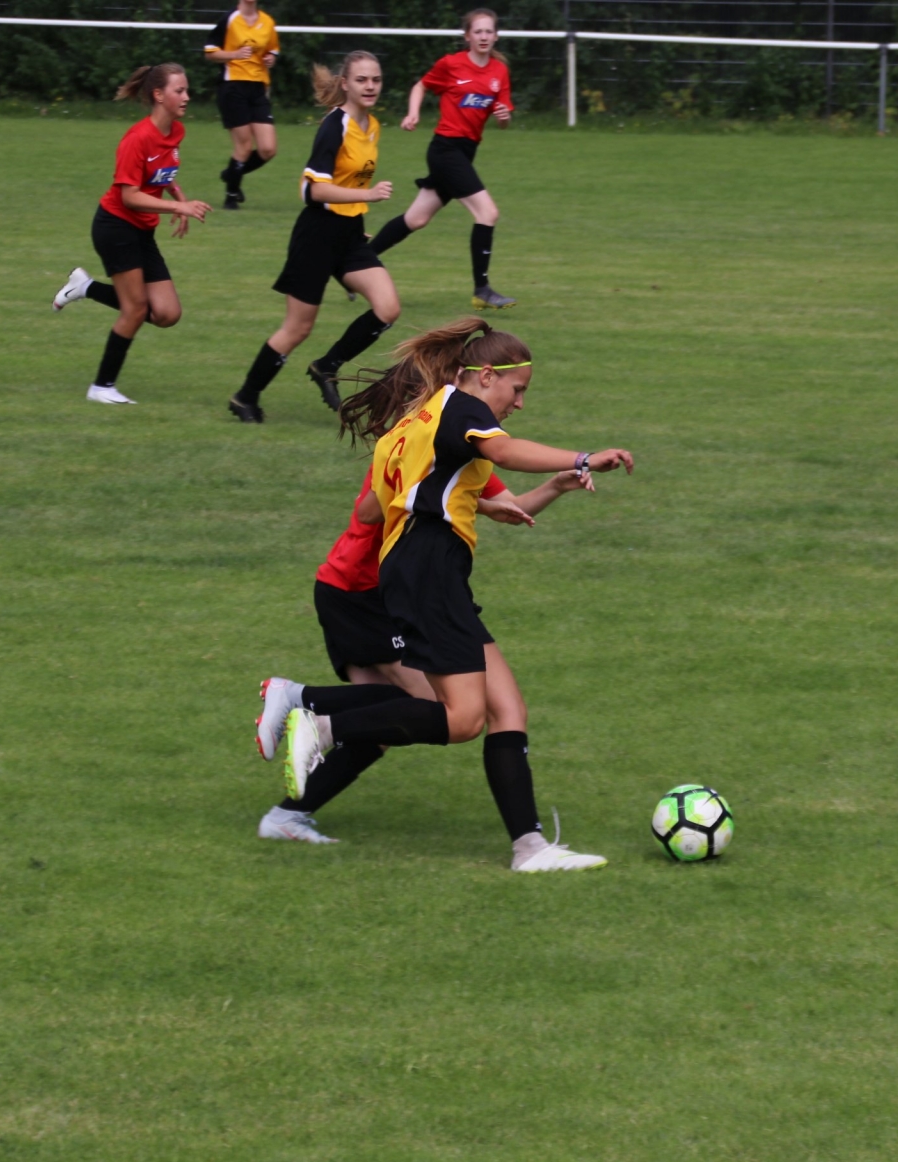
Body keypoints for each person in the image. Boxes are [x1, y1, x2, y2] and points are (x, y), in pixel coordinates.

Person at [253, 318, 635, 872]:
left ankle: (530, 849)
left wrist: (506, 493)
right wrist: (580, 457)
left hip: (429, 571)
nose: (520, 403)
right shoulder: (462, 410)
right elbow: (504, 453)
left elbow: (382, 505)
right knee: (460, 719)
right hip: (423, 570)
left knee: (507, 708)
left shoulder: (420, 424)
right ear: (486, 375)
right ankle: (320, 722)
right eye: (518, 389)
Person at [254, 466, 592, 844]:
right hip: (367, 591)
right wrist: (467, 501)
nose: (517, 406)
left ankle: (287, 814)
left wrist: (556, 484)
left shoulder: (469, 449)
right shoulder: (423, 442)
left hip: (407, 590)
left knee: (386, 720)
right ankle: (300, 701)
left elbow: (511, 505)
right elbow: (369, 510)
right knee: (434, 707)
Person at [229, 53, 400, 424]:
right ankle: (246, 397)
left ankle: (327, 366)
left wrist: (355, 218)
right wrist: (368, 196)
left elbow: (347, 181)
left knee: (388, 308)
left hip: (349, 234)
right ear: (346, 84)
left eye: (375, 79)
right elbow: (312, 191)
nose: (370, 86)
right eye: (362, 80)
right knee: (298, 328)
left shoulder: (372, 126)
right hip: (317, 236)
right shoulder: (334, 126)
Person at [51, 64, 212, 405]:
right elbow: (129, 196)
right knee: (136, 309)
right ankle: (101, 387)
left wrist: (178, 195)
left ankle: (85, 287)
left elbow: (160, 172)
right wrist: (179, 207)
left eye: (186, 90)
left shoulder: (176, 131)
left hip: (142, 230)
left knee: (167, 314)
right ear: (159, 95)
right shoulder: (136, 138)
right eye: (180, 91)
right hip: (115, 226)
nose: (187, 96)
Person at [366, 9, 516, 310]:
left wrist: (503, 116)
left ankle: (355, 261)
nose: (484, 36)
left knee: (416, 219)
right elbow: (421, 86)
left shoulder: (499, 72)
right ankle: (482, 290)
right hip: (445, 150)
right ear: (467, 36)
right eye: (478, 31)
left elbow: (503, 120)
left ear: (496, 36)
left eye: (489, 31)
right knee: (488, 213)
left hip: (465, 153)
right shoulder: (451, 64)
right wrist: (413, 113)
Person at [203, 0, 280, 210]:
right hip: (233, 87)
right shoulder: (229, 19)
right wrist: (234, 55)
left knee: (268, 149)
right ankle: (231, 196)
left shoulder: (267, 21)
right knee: (244, 147)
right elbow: (209, 52)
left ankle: (231, 173)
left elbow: (273, 49)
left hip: (258, 88)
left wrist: (271, 58)